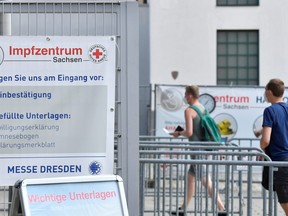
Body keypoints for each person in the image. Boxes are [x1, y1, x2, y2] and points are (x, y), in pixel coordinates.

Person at [170, 85, 226, 216]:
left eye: (185, 94)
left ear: (190, 95)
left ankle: (222, 209)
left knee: (206, 180)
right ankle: (182, 209)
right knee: (191, 178)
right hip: (205, 147)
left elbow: (189, 132)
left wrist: (178, 133)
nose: (184, 97)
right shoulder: (203, 108)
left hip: (196, 149)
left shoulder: (189, 110)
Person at [260, 79, 288, 216]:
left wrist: (262, 147)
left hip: (279, 160)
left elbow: (265, 140)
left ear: (270, 92)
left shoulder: (270, 111)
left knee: (284, 198)